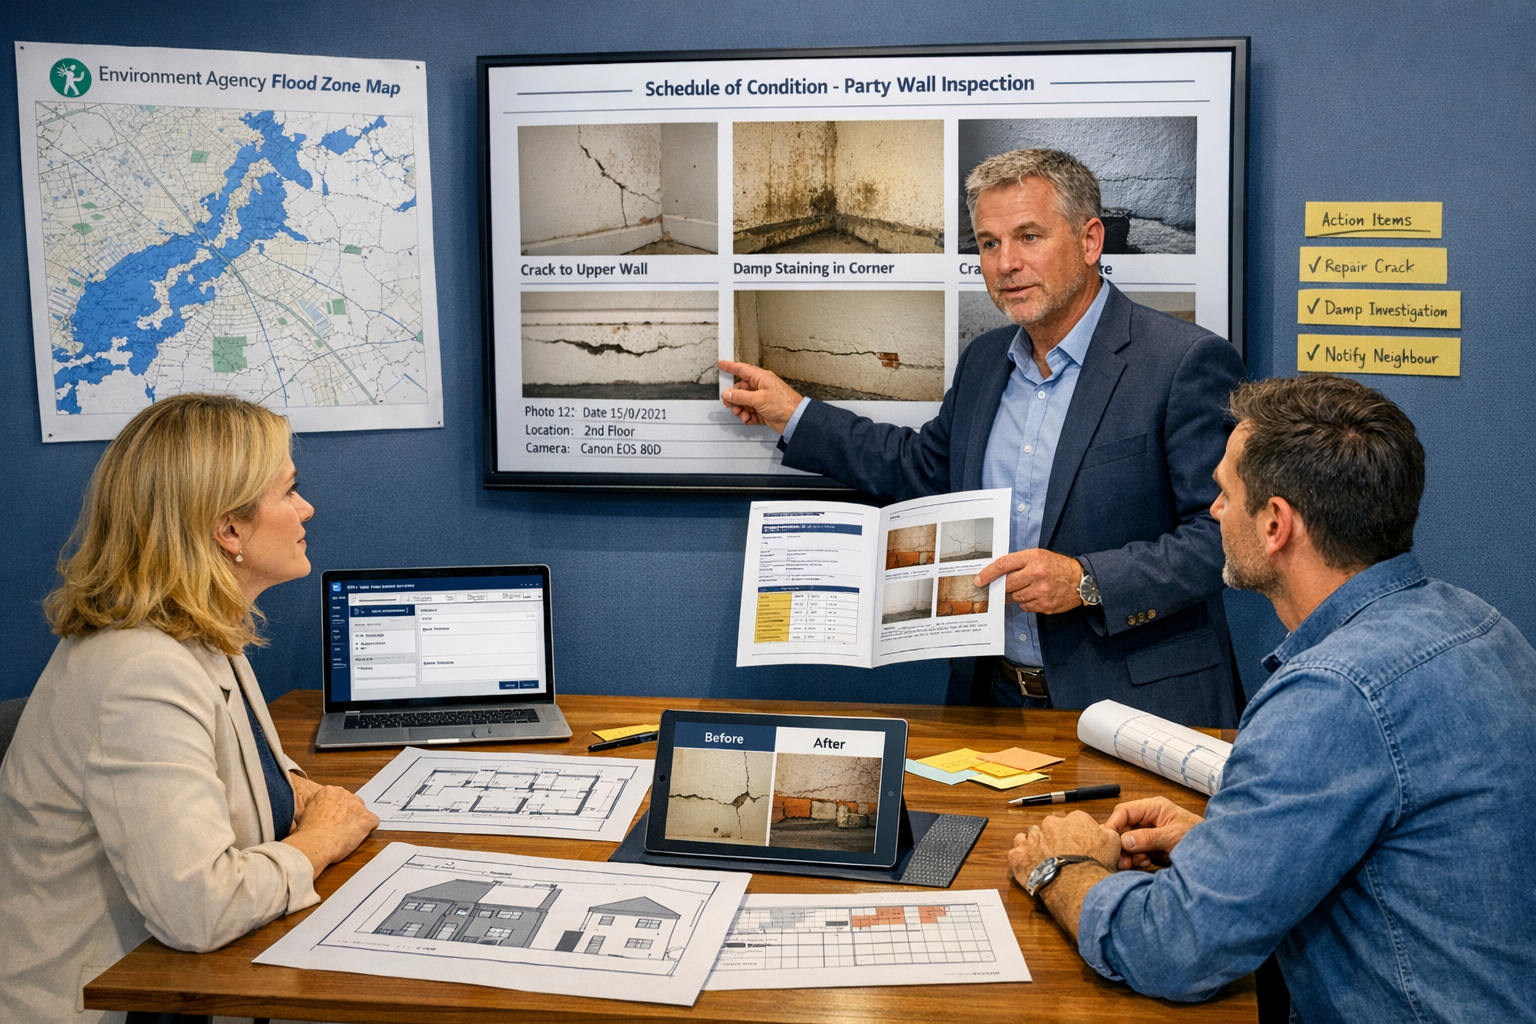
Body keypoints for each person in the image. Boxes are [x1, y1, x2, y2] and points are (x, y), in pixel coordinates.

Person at [1007, 374, 1536, 1022]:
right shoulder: (1478, 623)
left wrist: (1061, 867)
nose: (1214, 512)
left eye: (1226, 493)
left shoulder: (1333, 695)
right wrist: (1230, 845)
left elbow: (1177, 948)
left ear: (1276, 523)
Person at [720, 148, 1246, 726]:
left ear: (1091, 241)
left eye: (1028, 236)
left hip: (1140, 706)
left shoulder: (1183, 362)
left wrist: (1088, 581)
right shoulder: (985, 362)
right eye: (989, 244)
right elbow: (920, 468)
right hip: (995, 703)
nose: (1006, 263)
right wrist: (793, 413)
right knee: (958, 825)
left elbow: (1223, 536)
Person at [0, 395, 379, 1024]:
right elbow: (199, 908)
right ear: (228, 529)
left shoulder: (196, 631)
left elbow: (252, 767)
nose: (307, 508)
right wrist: (322, 841)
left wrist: (299, 791)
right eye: (290, 492)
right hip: (108, 1002)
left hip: (177, 981)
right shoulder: (139, 671)